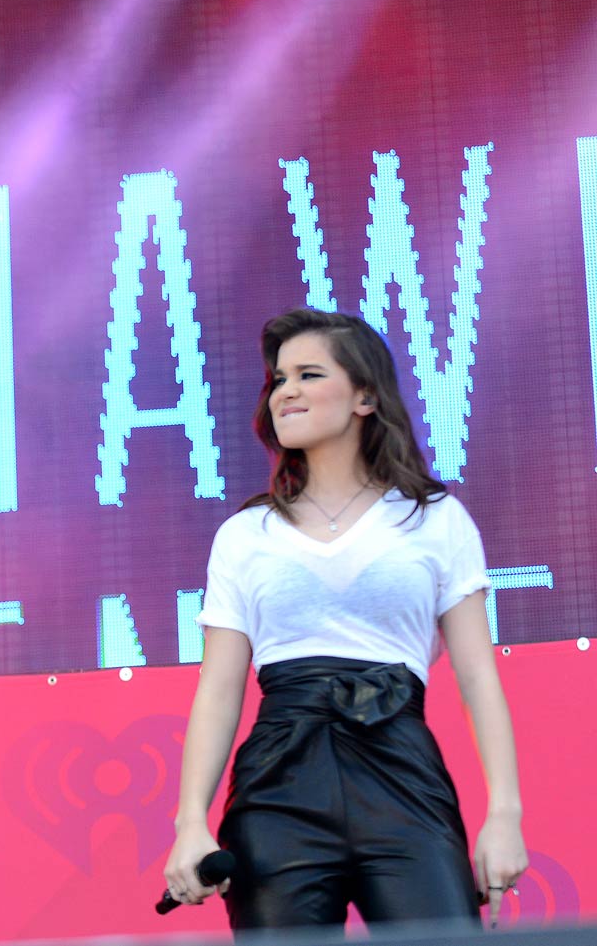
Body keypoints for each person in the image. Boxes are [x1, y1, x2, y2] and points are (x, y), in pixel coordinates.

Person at [163, 308, 528, 932]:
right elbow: (219, 689)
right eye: (279, 379)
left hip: (402, 771)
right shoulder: (245, 535)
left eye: (308, 374)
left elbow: (477, 676)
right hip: (279, 782)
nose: (287, 392)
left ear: (364, 395)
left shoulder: (435, 519)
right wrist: (190, 823)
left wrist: (505, 815)